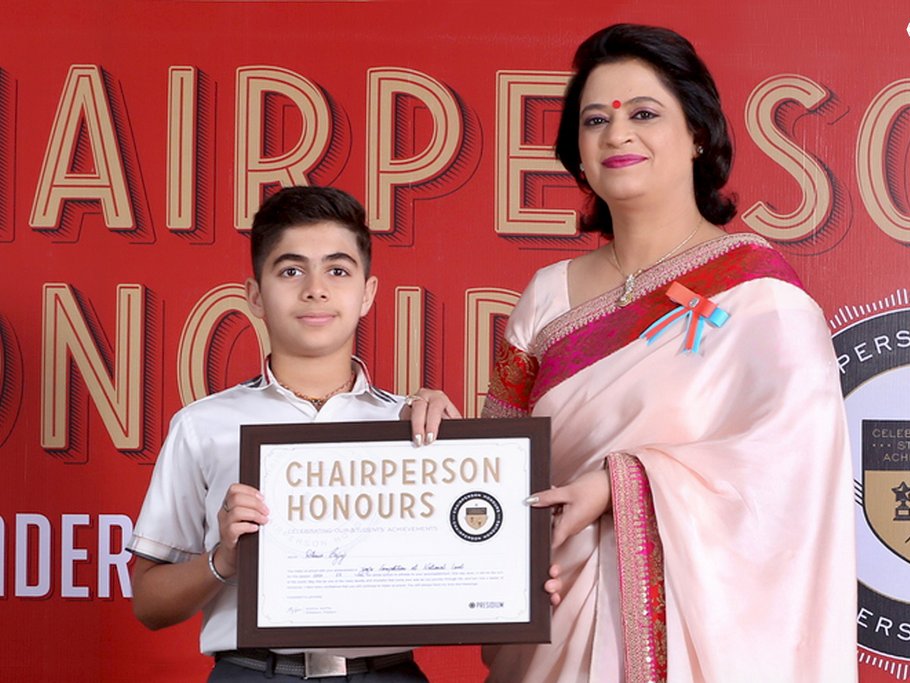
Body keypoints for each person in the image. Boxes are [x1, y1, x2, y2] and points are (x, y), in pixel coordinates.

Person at [481, 24, 856, 682]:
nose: (617, 135)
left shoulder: (757, 293)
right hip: (555, 617)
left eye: (645, 114)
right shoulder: (546, 296)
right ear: (578, 152)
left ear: (698, 133)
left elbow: (793, 474)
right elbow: (498, 466)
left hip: (701, 633)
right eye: (595, 120)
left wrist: (618, 485)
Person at [128, 185, 460, 681]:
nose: (315, 289)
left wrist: (455, 452)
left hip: (386, 673)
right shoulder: (202, 426)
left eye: (338, 270)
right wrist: (224, 559)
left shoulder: (414, 425)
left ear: (368, 293)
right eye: (290, 271)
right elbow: (149, 604)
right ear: (255, 295)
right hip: (253, 672)